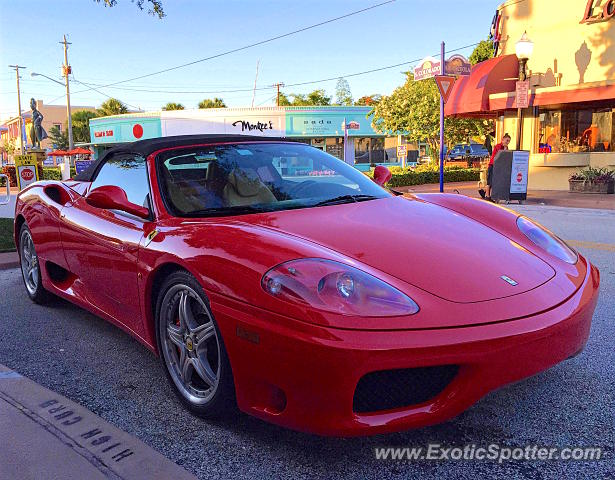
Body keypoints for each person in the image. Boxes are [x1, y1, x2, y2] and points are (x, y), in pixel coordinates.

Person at [485, 133, 511, 202]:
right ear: (502, 140)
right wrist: (505, 149)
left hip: (499, 167)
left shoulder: (506, 148)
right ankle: (487, 196)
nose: (507, 142)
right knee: (490, 181)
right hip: (493, 165)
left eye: (509, 141)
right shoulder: (498, 146)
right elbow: (499, 156)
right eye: (507, 140)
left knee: (496, 182)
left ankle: (495, 196)